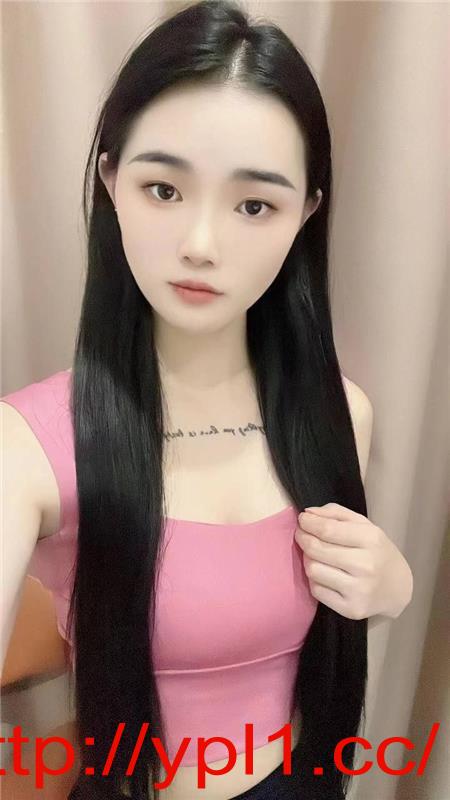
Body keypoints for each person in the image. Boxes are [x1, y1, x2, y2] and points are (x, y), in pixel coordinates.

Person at [1, 1, 413, 798]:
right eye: (163, 189)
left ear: (305, 214)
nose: (201, 244)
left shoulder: (341, 415)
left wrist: (390, 588)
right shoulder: (28, 448)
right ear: (111, 181)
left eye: (254, 205)